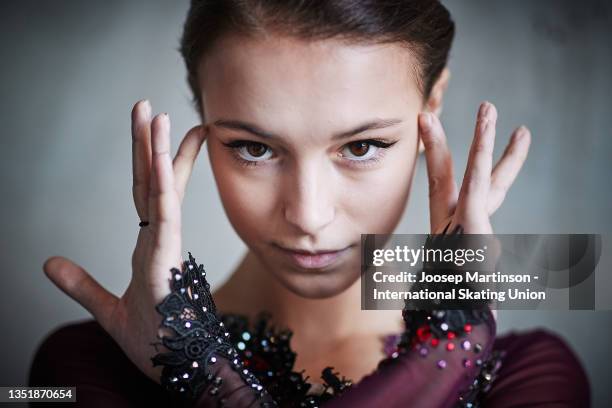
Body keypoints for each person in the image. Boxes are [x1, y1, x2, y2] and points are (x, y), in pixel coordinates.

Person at [29, 1, 590, 407]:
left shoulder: (526, 375)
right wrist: (453, 342)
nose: (309, 215)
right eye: (254, 148)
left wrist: (198, 371)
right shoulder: (81, 370)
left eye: (362, 146)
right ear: (203, 110)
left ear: (431, 107)